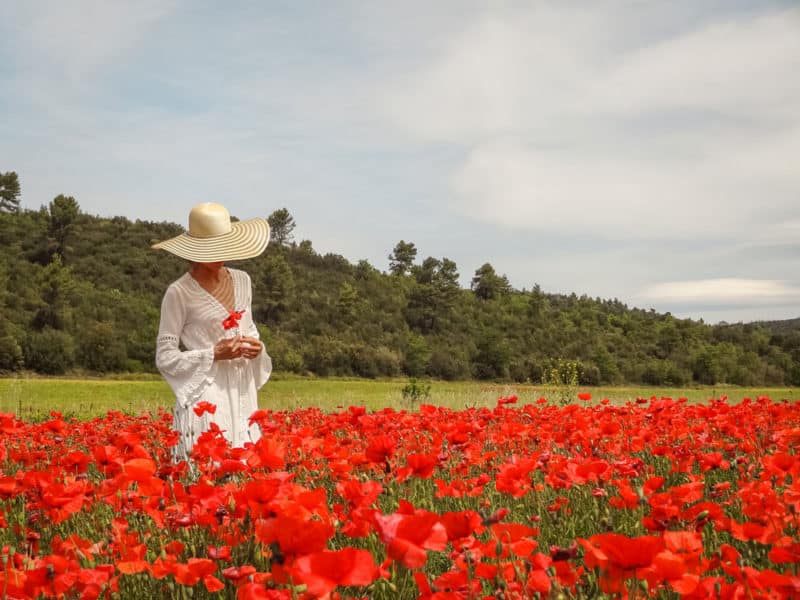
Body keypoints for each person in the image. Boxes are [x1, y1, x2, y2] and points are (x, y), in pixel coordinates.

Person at [151, 202, 272, 460]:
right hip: (206, 396)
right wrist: (213, 354)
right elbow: (165, 356)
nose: (220, 253)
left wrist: (256, 347)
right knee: (208, 474)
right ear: (194, 250)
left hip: (242, 392)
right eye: (212, 248)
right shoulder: (179, 293)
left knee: (245, 476)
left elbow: (250, 328)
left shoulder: (243, 281)